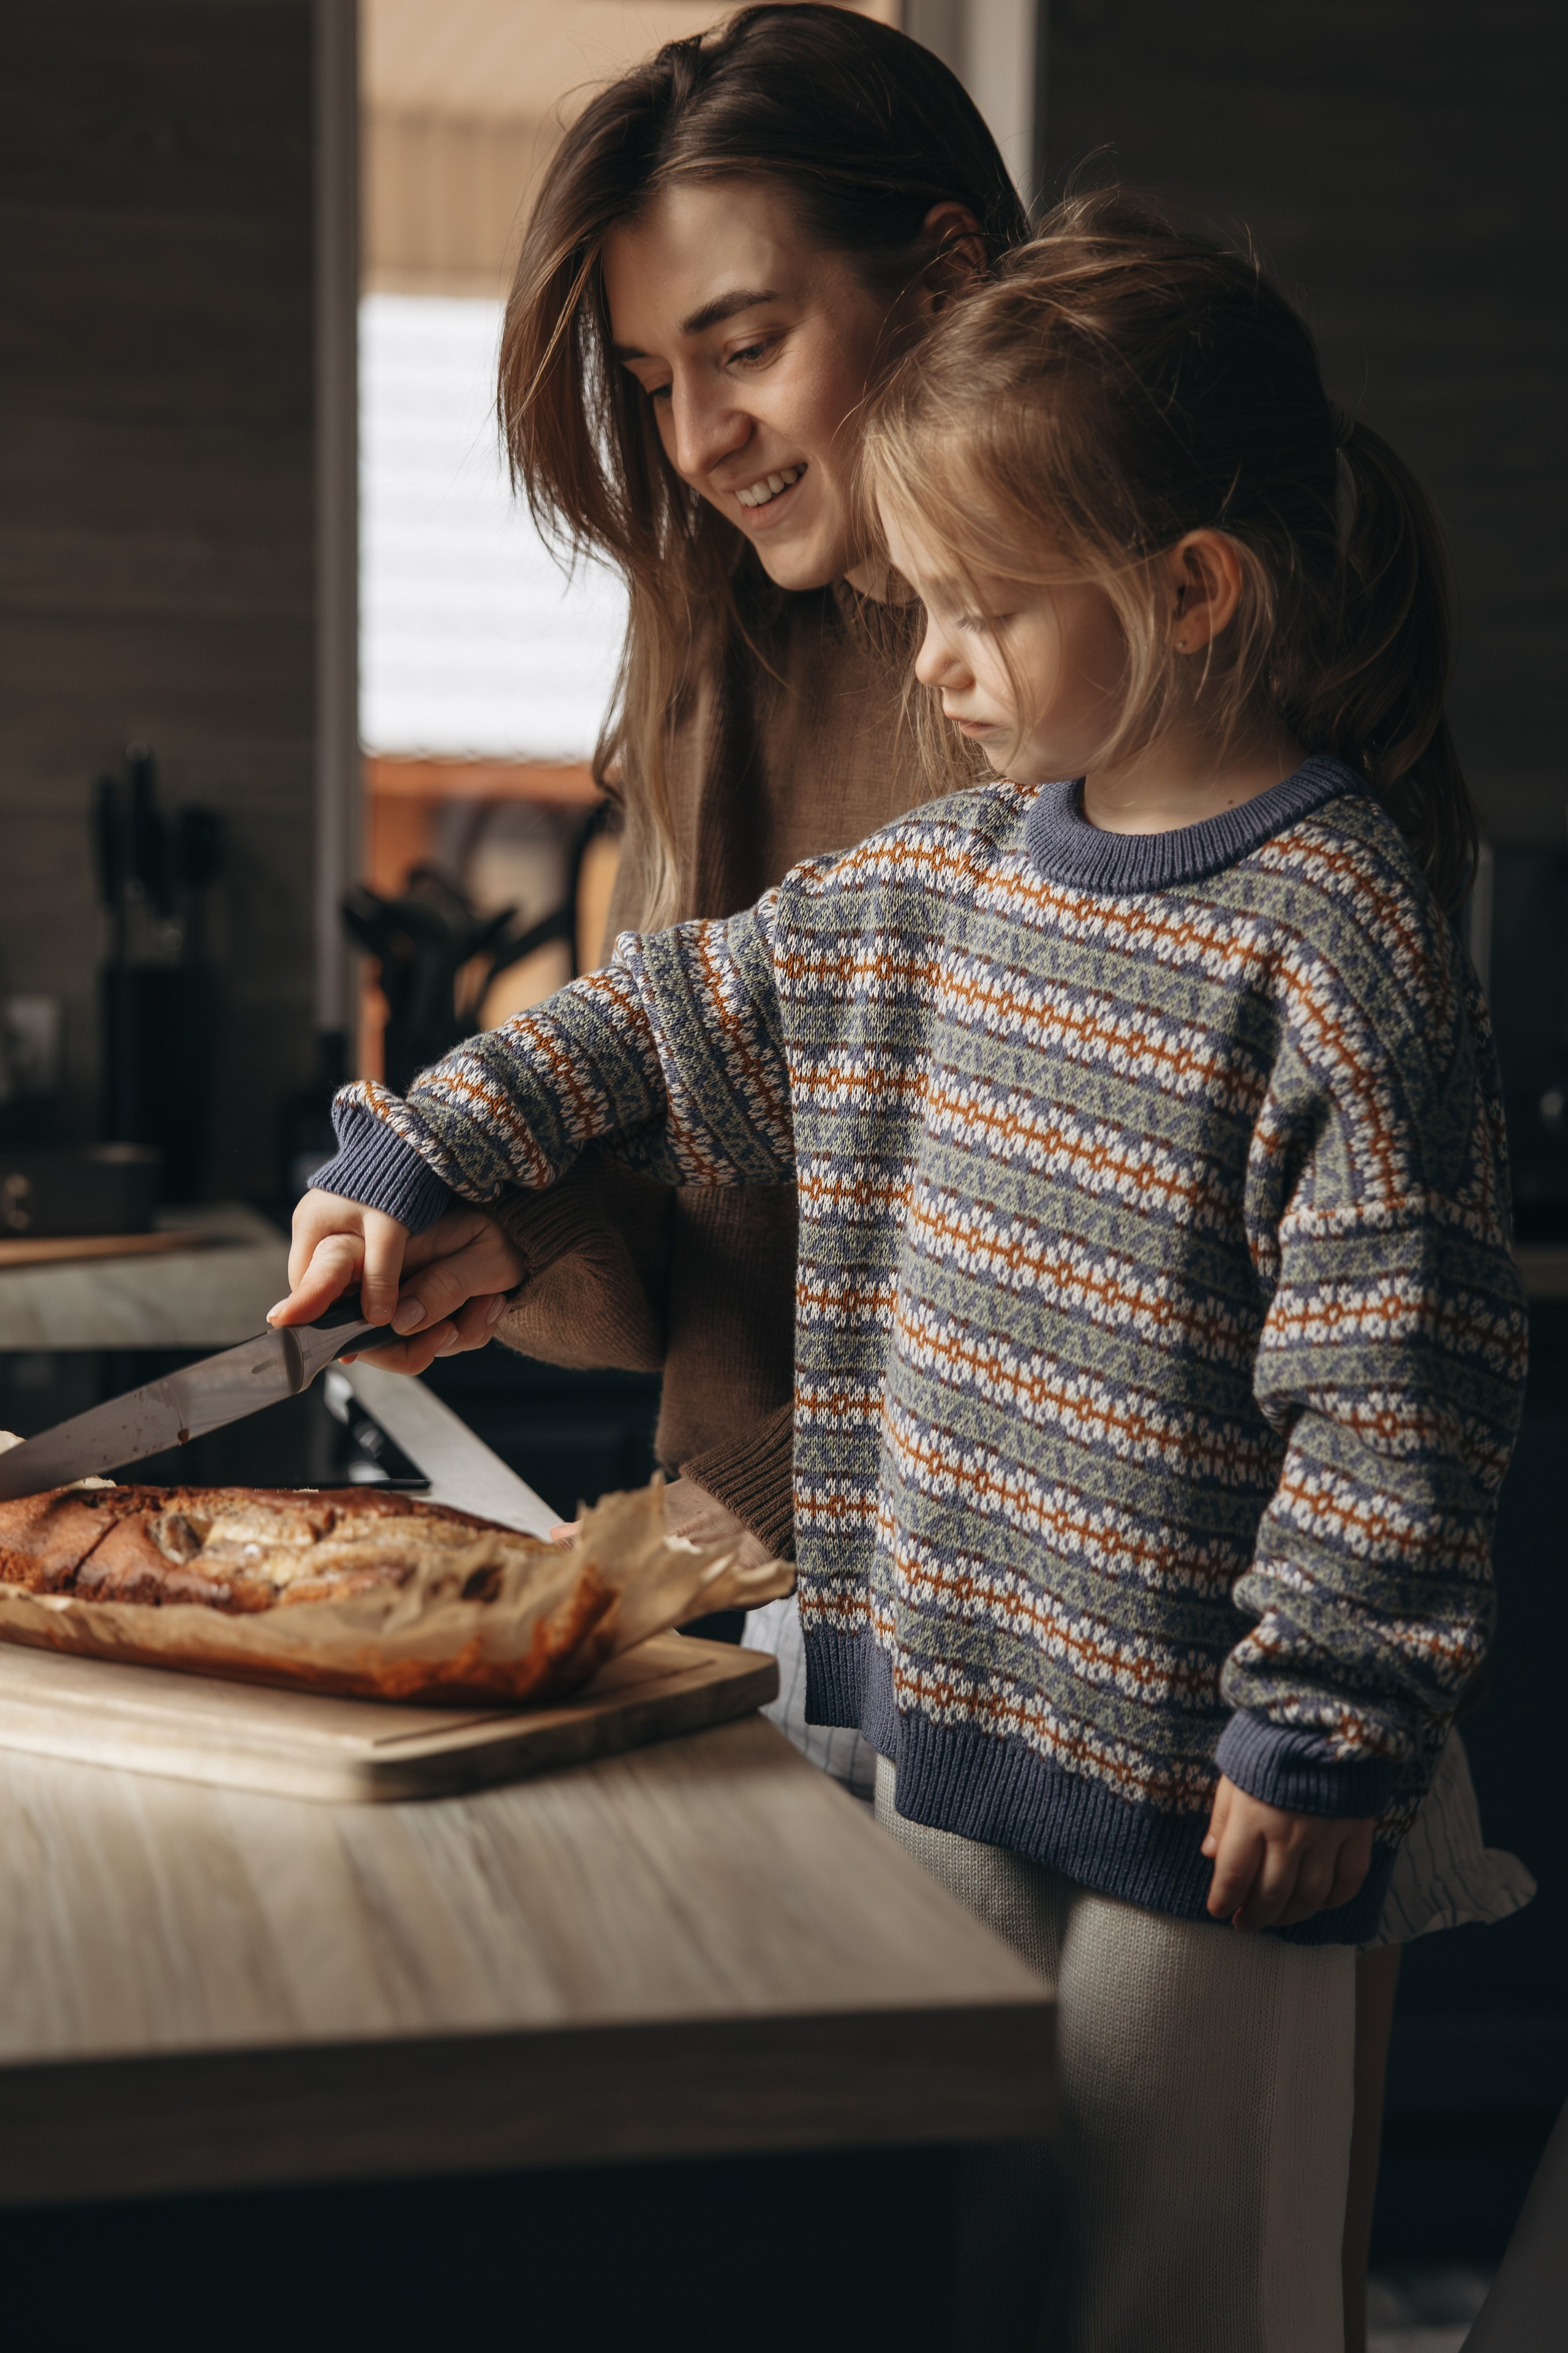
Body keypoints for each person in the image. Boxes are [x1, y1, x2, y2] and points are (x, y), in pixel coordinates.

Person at [279, 192, 1528, 2347]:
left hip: (1214, 1791)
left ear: (1192, 590)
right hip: (931, 1730)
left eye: (973, 610)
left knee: (1184, 2299)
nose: (929, 659)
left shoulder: (1337, 934)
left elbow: (1402, 1391)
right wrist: (427, 1139)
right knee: (937, 2268)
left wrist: (1322, 1721)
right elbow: (665, 1012)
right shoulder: (945, 879)